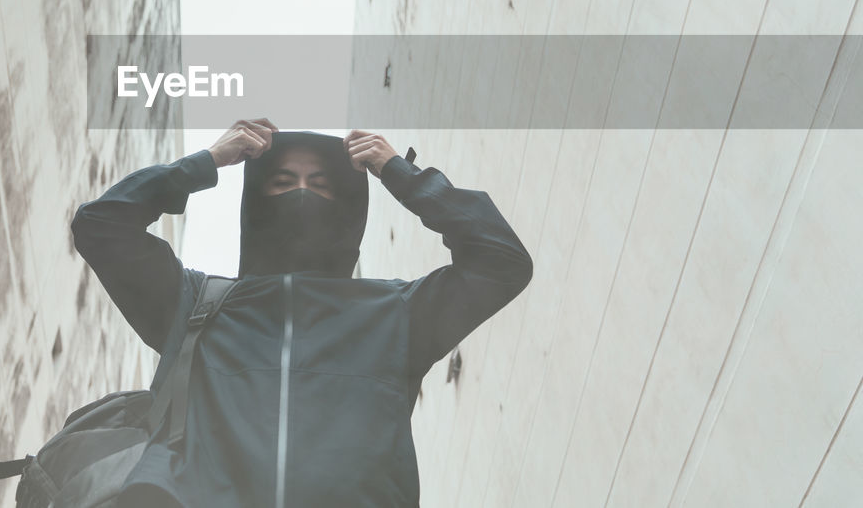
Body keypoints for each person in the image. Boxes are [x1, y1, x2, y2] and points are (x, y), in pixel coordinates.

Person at [70, 119, 533, 507]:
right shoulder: (197, 304)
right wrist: (208, 161)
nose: (302, 192)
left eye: (321, 183)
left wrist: (399, 172)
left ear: (348, 208)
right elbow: (100, 225)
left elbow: (501, 263)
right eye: (282, 181)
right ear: (256, 202)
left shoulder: (396, 314)